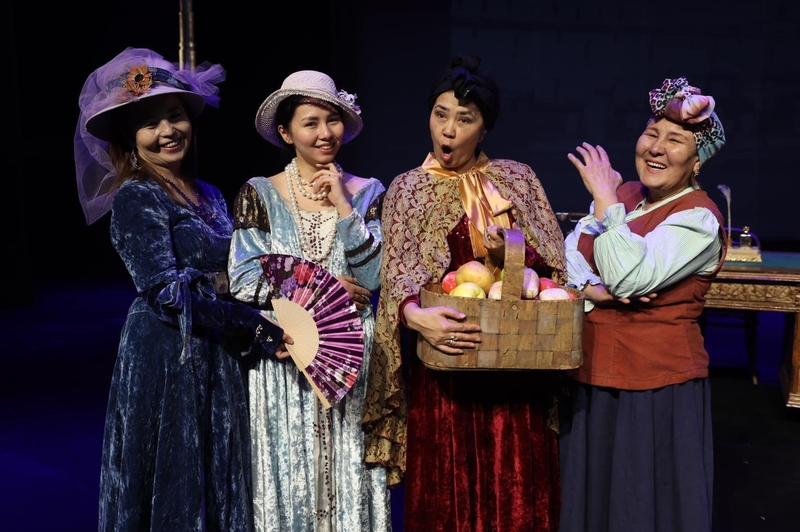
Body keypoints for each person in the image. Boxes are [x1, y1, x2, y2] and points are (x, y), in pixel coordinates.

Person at [74, 46, 292, 532]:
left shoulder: (210, 192)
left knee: (218, 477)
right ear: (131, 137)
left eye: (175, 116)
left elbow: (238, 269)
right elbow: (165, 293)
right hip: (168, 355)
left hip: (217, 352)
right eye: (150, 123)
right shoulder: (136, 195)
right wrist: (250, 322)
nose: (167, 130)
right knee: (174, 477)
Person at [362, 52, 567, 532]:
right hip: (446, 370)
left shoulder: (517, 180)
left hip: (514, 366)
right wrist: (413, 316)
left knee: (515, 492)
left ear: (485, 128)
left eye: (465, 119)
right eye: (441, 115)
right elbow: (398, 277)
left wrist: (512, 250)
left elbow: (555, 268)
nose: (449, 130)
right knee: (448, 496)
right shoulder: (408, 189)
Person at [558, 77, 727, 532]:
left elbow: (628, 276)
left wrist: (604, 200)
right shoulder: (627, 197)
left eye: (675, 141)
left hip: (653, 384)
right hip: (591, 372)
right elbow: (568, 255)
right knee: (592, 500)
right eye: (652, 133)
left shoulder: (698, 218)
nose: (656, 147)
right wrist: (591, 289)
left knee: (638, 503)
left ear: (696, 162)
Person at [227, 70, 391, 531]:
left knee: (350, 473)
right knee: (291, 476)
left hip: (351, 353)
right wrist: (322, 287)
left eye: (332, 120)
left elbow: (373, 277)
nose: (324, 133)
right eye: (310, 123)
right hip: (287, 353)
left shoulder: (368, 192)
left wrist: (343, 205)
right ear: (286, 132)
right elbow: (243, 279)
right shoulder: (260, 193)